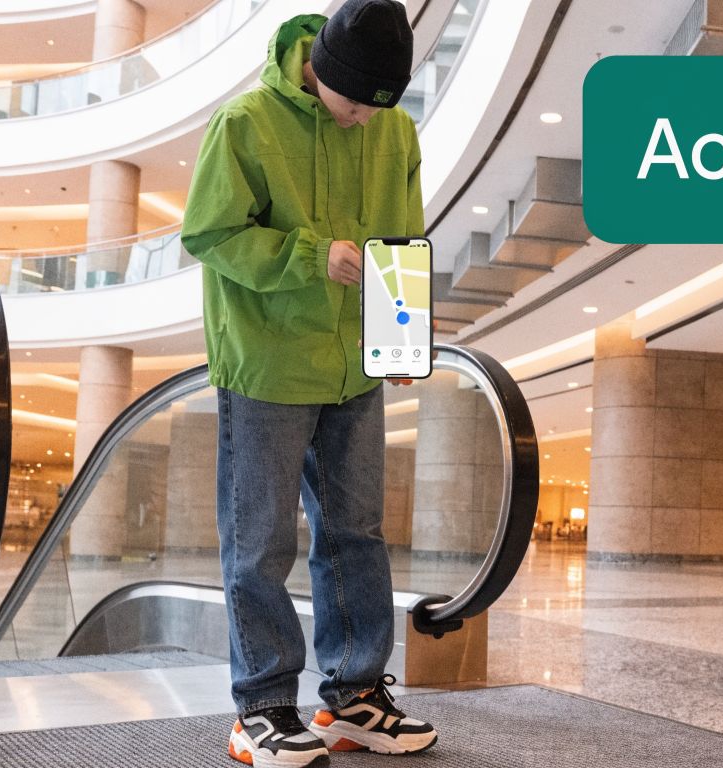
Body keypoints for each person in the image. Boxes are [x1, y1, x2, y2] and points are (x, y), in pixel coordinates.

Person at [180, 2, 436, 764]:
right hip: (267, 363)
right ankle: (260, 706)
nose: (362, 120)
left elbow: (403, 243)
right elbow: (209, 232)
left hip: (354, 365)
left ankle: (355, 697)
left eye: (376, 107)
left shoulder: (393, 128)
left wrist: (399, 339)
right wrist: (311, 256)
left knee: (357, 531)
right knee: (260, 542)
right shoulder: (247, 123)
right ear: (318, 67)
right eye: (353, 102)